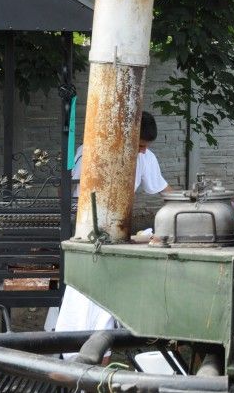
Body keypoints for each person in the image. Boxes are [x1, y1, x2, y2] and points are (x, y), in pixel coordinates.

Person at [50, 111, 170, 356]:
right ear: (126, 138)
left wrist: (189, 204)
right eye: (140, 146)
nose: (144, 151)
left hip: (118, 235)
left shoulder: (145, 157)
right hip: (87, 236)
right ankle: (87, 349)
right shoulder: (92, 155)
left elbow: (163, 189)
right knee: (95, 294)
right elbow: (73, 198)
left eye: (147, 147)